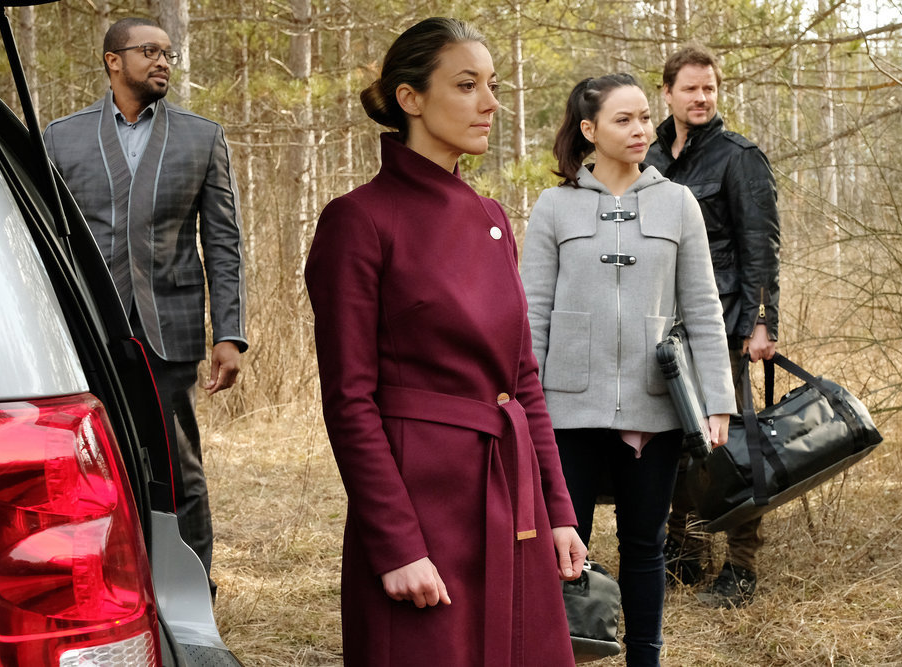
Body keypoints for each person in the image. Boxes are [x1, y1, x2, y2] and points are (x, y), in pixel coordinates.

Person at [304, 17, 586, 667]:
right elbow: (349, 401)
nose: (490, 103)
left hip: (510, 495)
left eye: (493, 84)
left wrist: (558, 510)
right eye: (466, 85)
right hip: (422, 503)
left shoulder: (491, 218)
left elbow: (523, 379)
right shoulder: (358, 221)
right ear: (410, 98)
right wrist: (397, 543)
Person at [520, 74, 736, 666]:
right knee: (566, 548)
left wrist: (718, 399)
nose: (641, 129)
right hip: (567, 409)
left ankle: (646, 659)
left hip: (654, 405)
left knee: (646, 544)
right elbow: (531, 313)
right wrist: (526, 406)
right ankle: (558, 656)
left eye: (644, 117)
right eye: (624, 119)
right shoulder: (554, 205)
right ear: (589, 130)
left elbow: (703, 309)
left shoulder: (678, 202)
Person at [44, 18, 247, 592]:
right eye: (149, 51)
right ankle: (112, 593)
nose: (162, 62)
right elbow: (45, 243)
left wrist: (228, 333)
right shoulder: (60, 139)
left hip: (169, 331)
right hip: (89, 334)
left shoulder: (201, 137)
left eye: (168, 53)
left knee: (180, 472)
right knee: (91, 469)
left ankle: (192, 597)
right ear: (113, 61)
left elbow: (223, 242)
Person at [644, 44, 781, 608]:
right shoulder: (650, 155)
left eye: (710, 88)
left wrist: (761, 322)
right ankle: (685, 553)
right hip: (663, 326)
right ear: (667, 93)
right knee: (676, 443)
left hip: (722, 322)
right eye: (691, 88)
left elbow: (760, 247)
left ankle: (742, 567)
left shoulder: (738, 156)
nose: (701, 98)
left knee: (730, 445)